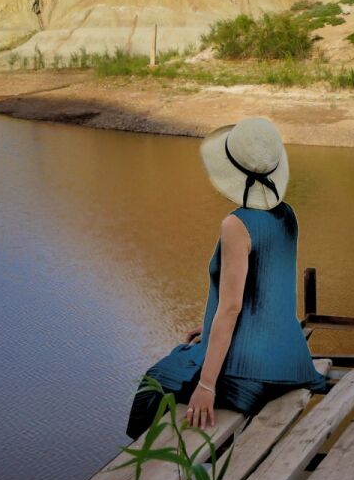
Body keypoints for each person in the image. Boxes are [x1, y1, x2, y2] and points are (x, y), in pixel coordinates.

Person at [126, 116, 329, 438]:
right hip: (292, 360)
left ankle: (158, 471)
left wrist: (207, 386)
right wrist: (208, 326)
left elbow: (232, 307)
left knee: (155, 381)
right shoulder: (287, 214)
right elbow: (268, 293)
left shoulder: (236, 225)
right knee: (189, 352)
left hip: (251, 372)